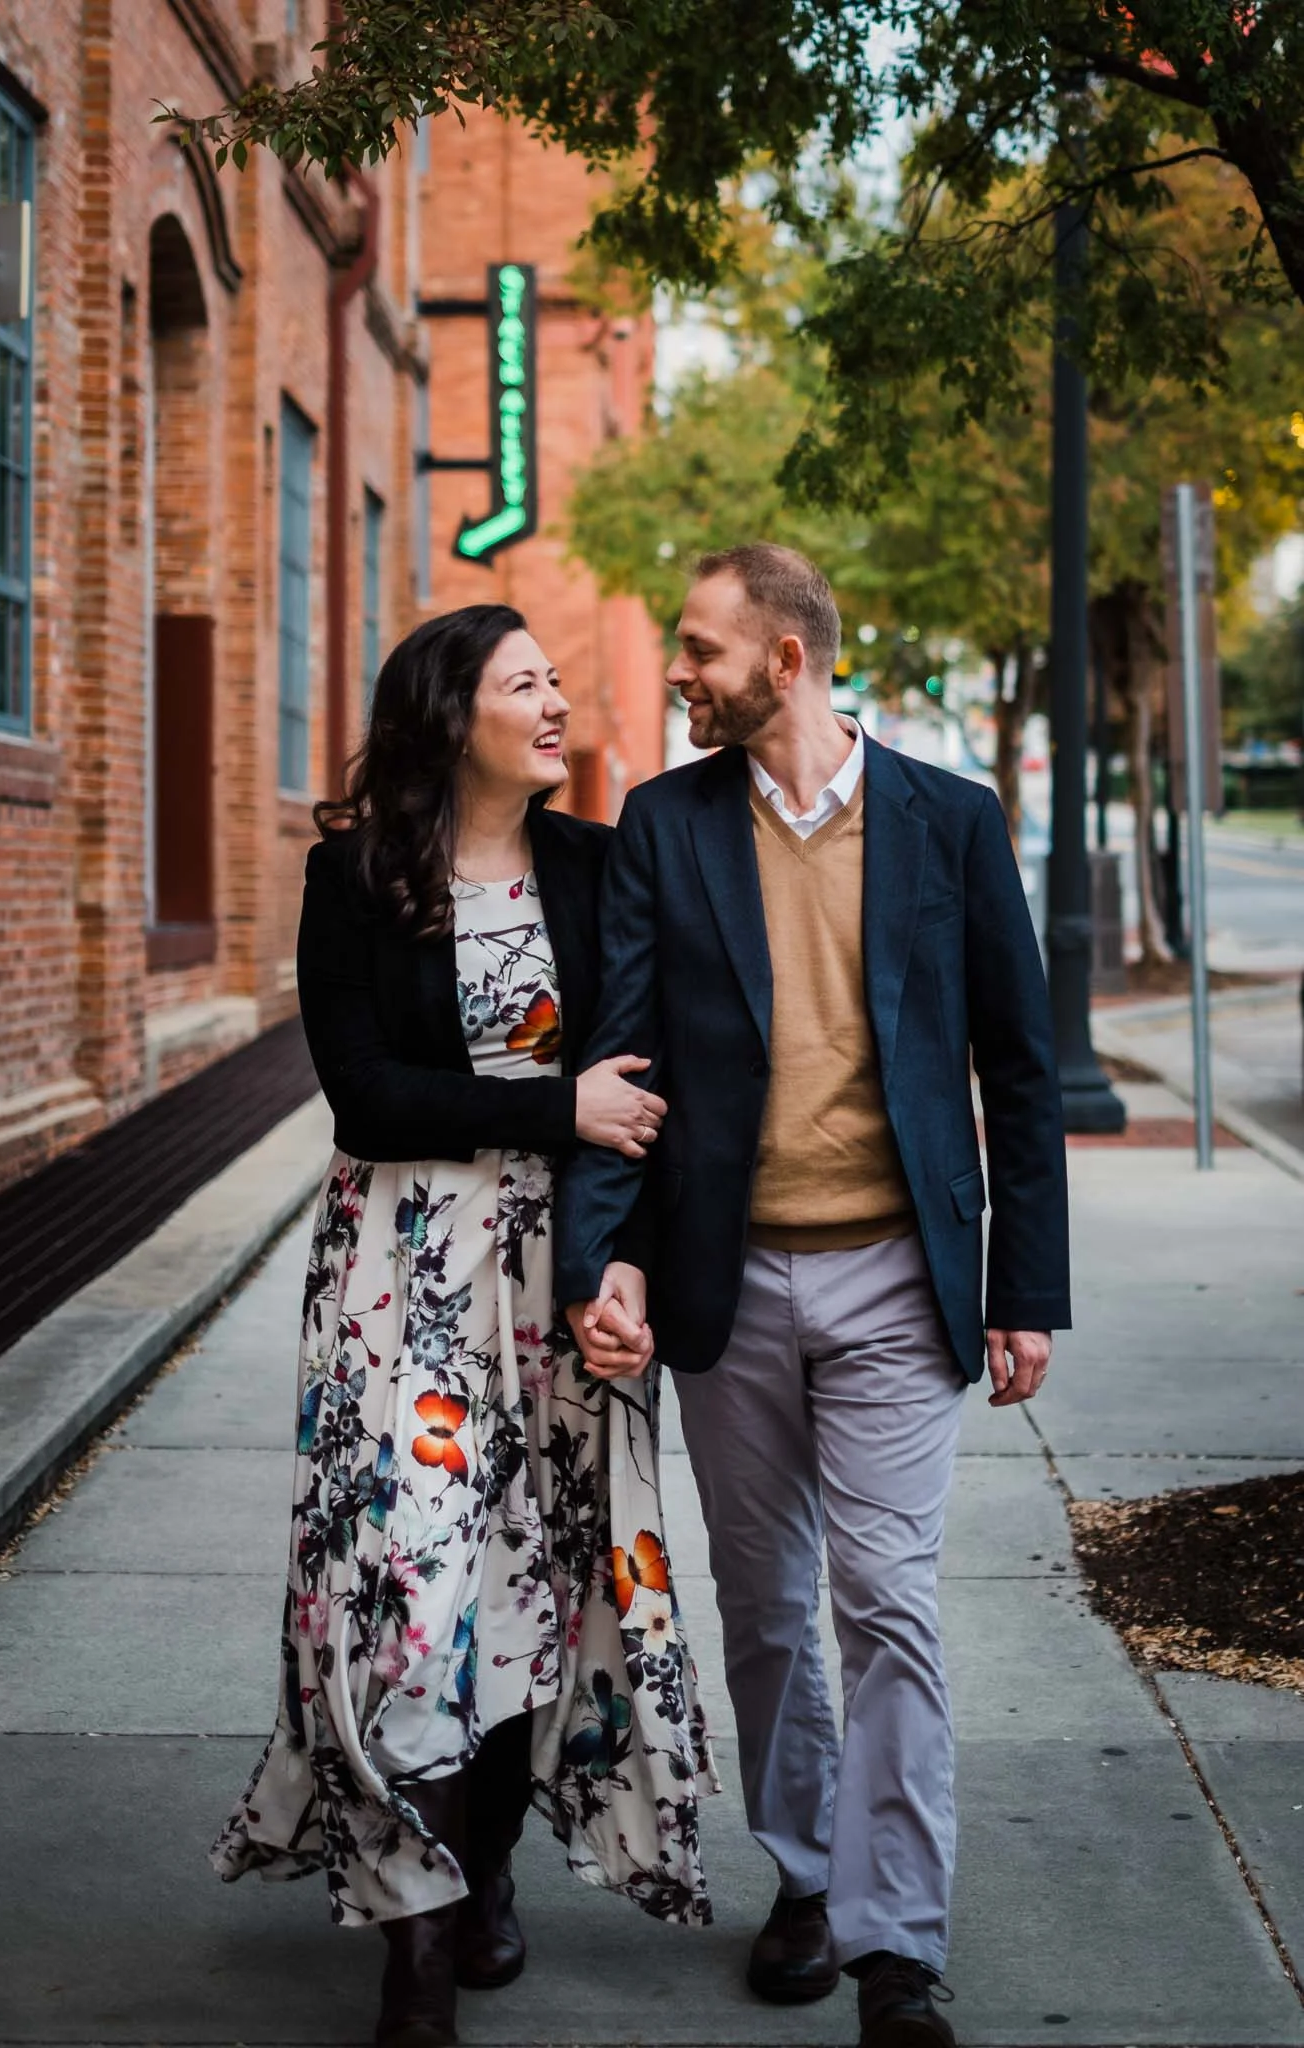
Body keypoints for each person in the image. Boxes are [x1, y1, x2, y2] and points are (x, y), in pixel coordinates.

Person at [557, 545, 1070, 2048]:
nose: (679, 672)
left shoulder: (950, 824)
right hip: (731, 1280)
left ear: (787, 659)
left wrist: (1021, 1284)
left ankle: (896, 1941)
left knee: (890, 1604)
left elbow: (1020, 1070)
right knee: (767, 1610)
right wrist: (606, 1264)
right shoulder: (666, 823)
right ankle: (806, 1875)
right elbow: (627, 1061)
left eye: (702, 649)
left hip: (901, 1282)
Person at [213, 605, 715, 2048]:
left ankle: (482, 1863)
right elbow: (365, 1095)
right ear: (452, 717)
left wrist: (630, 1277)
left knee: (542, 1599)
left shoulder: (596, 867)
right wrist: (556, 1106)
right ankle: (412, 1946)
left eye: (558, 678)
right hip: (400, 1281)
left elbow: (653, 1093)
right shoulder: (353, 879)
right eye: (524, 684)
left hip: (560, 1278)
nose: (556, 702)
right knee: (407, 1594)